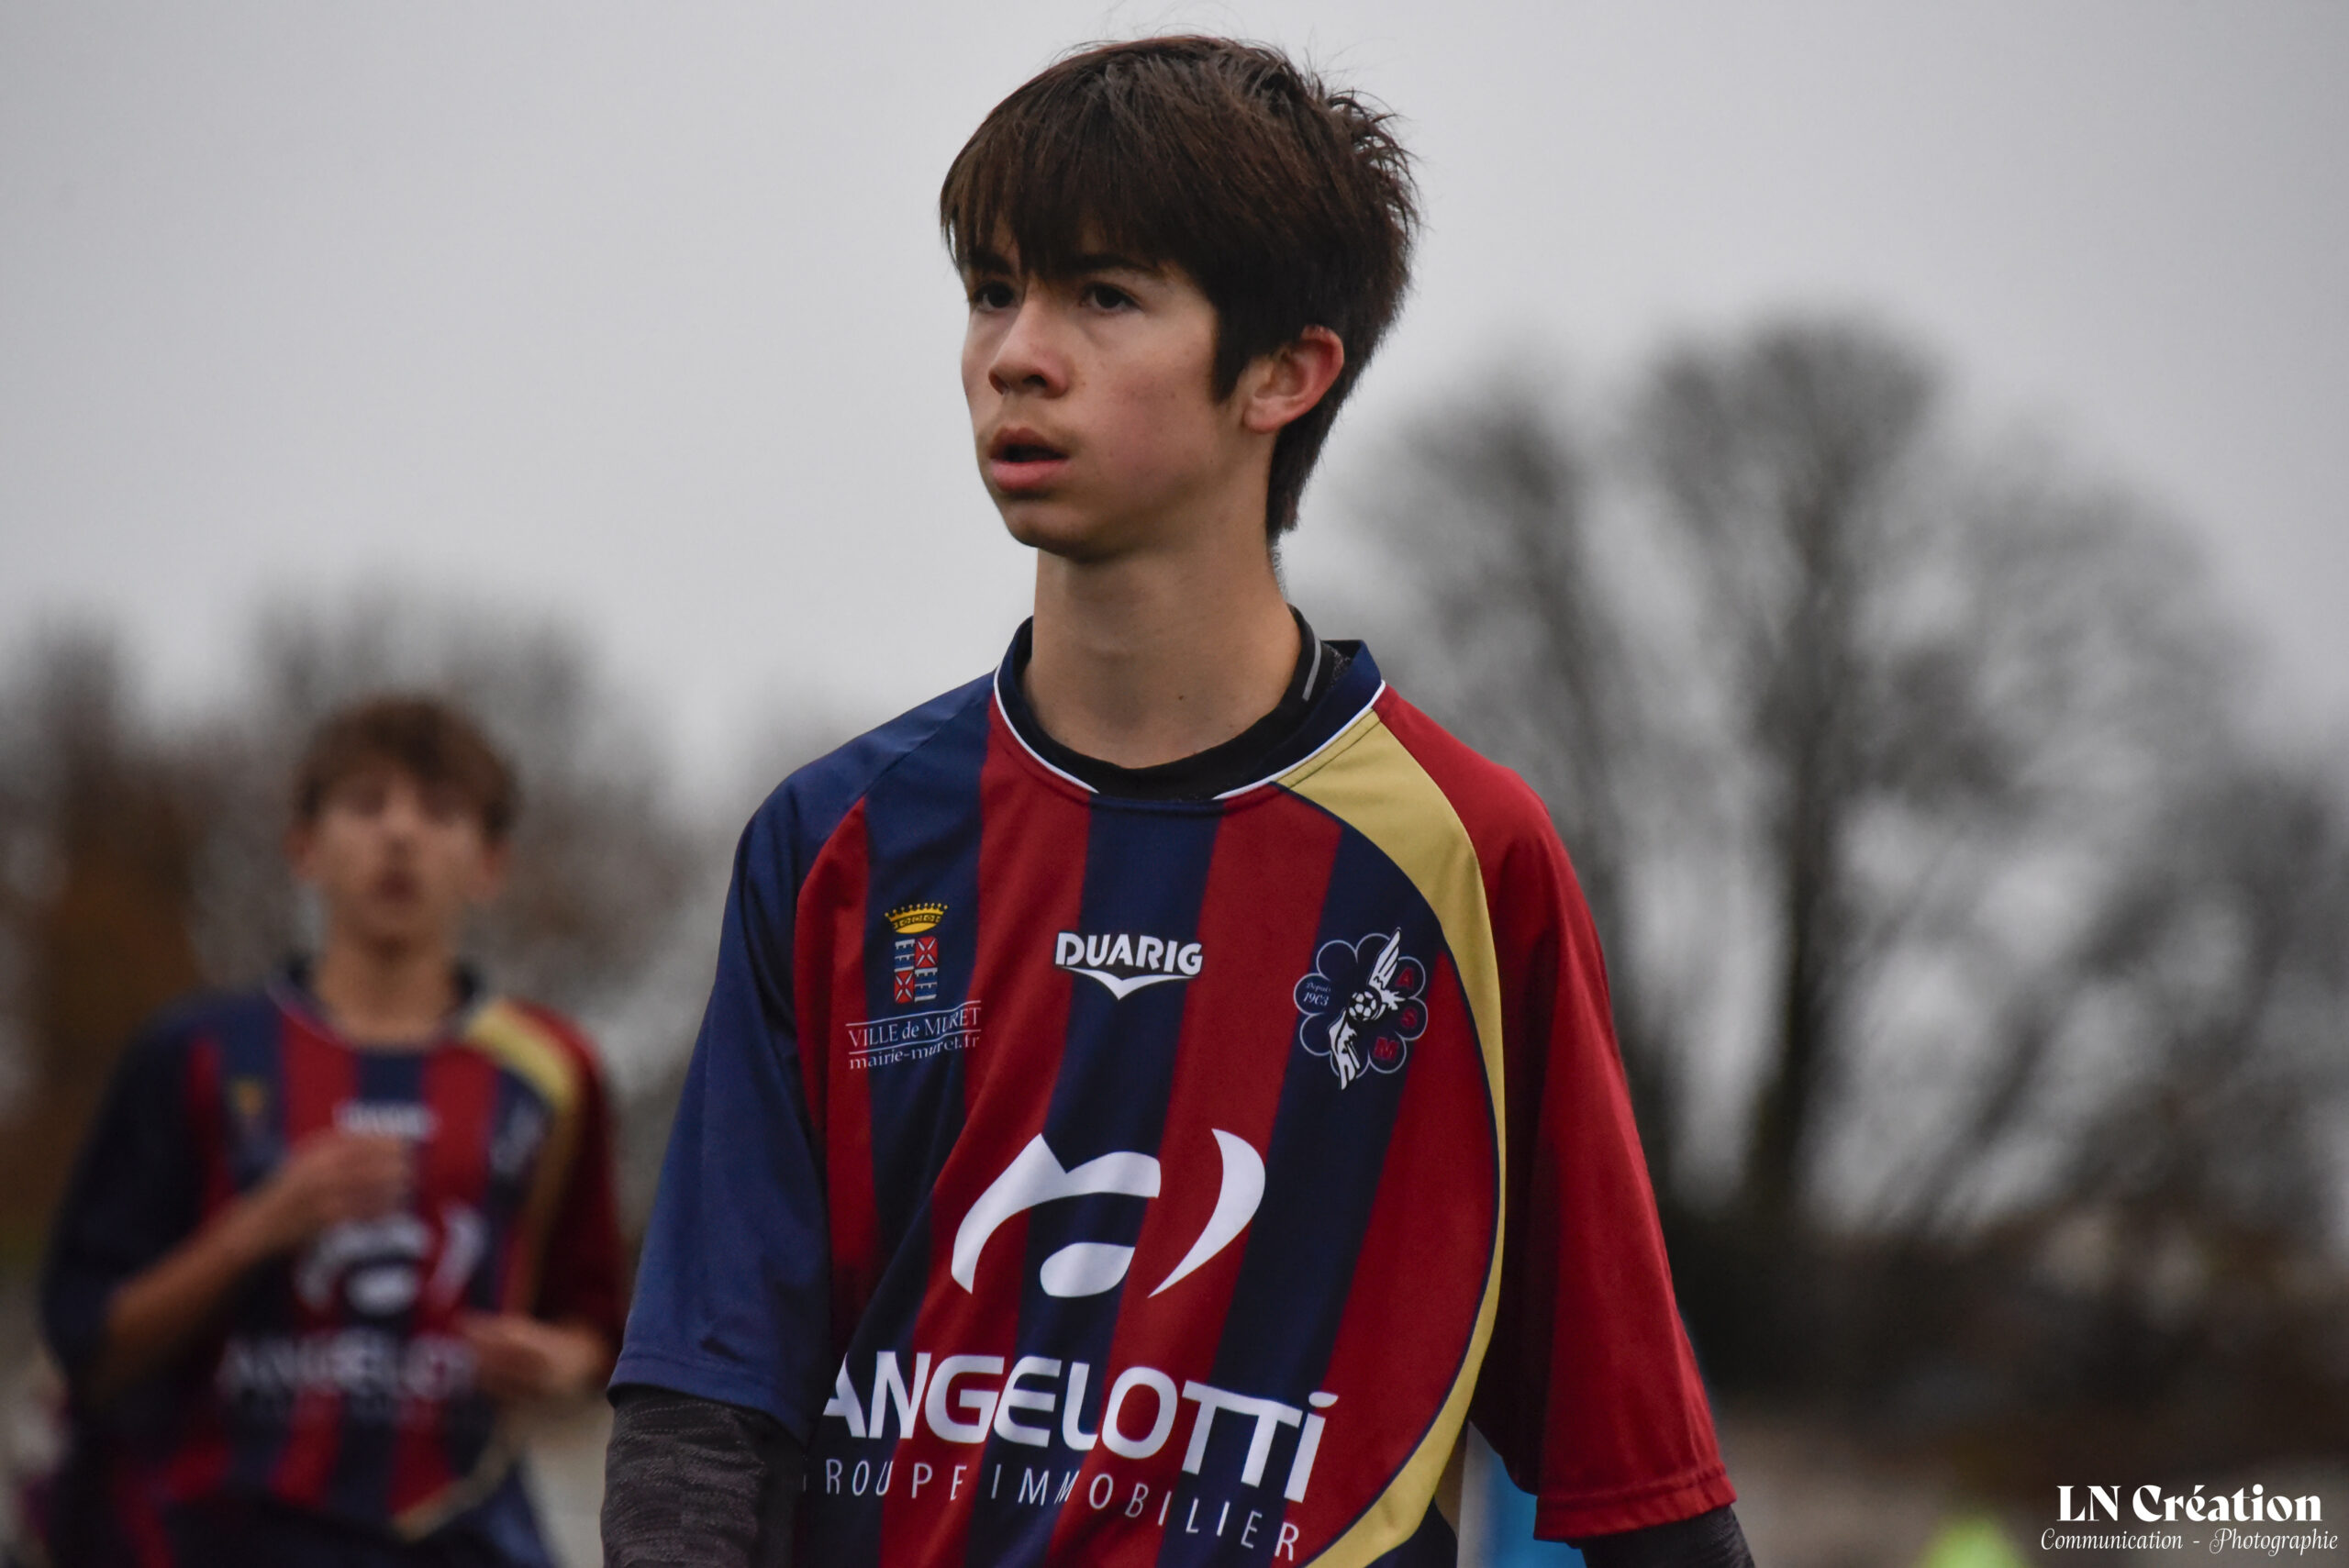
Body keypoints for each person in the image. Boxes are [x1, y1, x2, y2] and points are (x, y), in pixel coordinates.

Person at [603, 36, 1750, 1568]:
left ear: (1285, 370)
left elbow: (1639, 1477)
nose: (1016, 353)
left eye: (1103, 295)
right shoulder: (838, 843)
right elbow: (702, 1410)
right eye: (992, 290)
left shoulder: (1466, 855)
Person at [36, 695, 627, 1567]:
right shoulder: (194, 1053)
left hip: (463, 1535)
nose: (401, 834)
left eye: (440, 810)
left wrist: (561, 1362)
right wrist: (253, 1231)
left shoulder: (554, 1071)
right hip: (220, 1535)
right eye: (365, 802)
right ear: (303, 847)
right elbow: (88, 1344)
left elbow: (602, 1326)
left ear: (490, 862)